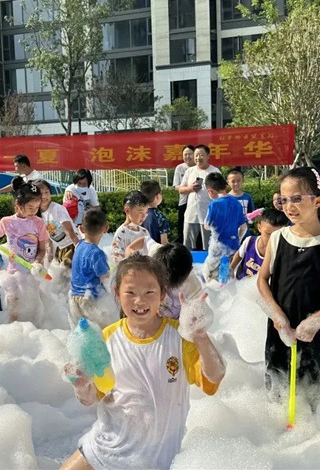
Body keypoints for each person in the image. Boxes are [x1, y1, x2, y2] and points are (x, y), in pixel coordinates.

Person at [61, 254, 225, 470]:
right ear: (118, 295)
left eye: (149, 292)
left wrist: (201, 337)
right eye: (130, 292)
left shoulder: (179, 337)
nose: (140, 301)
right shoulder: (107, 338)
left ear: (162, 295)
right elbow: (93, 397)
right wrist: (80, 385)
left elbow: (215, 377)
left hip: (157, 458)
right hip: (109, 447)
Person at [257, 167, 320, 399]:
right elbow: (262, 280)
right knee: (279, 393)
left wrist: (316, 321)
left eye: (297, 199)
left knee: (318, 398)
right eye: (284, 200)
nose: (289, 206)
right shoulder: (277, 238)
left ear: (318, 200)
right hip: (281, 332)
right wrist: (277, 316)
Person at [0, 177, 49, 323]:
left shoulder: (39, 223)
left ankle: (39, 327)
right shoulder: (7, 222)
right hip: (14, 272)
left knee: (36, 303)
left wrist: (38, 263)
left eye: (37, 208)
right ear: (18, 205)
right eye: (30, 208)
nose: (34, 212)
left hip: (34, 272)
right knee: (13, 300)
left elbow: (43, 249)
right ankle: (14, 327)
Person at [69, 208, 115, 330]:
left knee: (83, 332)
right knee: (104, 330)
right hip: (90, 298)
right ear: (106, 228)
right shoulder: (97, 253)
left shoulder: (79, 246)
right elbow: (105, 277)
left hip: (73, 298)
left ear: (82, 229)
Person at [202, 172, 247, 281]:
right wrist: (238, 239)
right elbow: (244, 227)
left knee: (210, 275)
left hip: (217, 247)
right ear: (225, 186)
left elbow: (207, 226)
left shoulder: (214, 204)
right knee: (230, 274)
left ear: (210, 191)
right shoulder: (236, 202)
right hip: (233, 246)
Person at [180, 145, 221, 251]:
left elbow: (221, 192)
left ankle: (209, 267)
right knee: (187, 246)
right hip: (190, 215)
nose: (198, 158)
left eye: (202, 155)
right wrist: (191, 188)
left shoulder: (214, 171)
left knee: (208, 247)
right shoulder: (190, 171)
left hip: (208, 216)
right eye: (196, 155)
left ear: (208, 156)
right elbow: (181, 189)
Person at [231, 208, 289, 279]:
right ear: (259, 228)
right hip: (242, 283)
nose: (272, 238)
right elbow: (239, 255)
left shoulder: (283, 252)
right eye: (268, 233)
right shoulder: (249, 241)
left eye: (277, 235)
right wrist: (231, 268)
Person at [35, 179, 80, 267]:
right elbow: (47, 238)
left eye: (46, 192)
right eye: (40, 194)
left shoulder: (57, 208)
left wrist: (79, 248)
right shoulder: (39, 214)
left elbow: (69, 230)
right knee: (59, 273)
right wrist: (49, 254)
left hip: (72, 244)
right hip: (61, 247)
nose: (44, 196)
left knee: (67, 272)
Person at [111, 190, 151, 264]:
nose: (144, 216)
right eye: (141, 212)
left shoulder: (145, 232)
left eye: (146, 213)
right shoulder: (121, 233)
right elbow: (116, 257)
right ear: (127, 210)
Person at [173, 145, 195, 243]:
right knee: (182, 228)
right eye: (185, 154)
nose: (187, 156)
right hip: (183, 202)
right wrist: (189, 189)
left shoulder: (199, 168)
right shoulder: (180, 168)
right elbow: (176, 186)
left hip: (196, 203)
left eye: (190, 154)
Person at [227, 167, 255, 239]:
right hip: (230, 231)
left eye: (238, 181)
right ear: (228, 182)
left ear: (243, 180)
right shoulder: (225, 198)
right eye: (233, 181)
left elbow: (251, 212)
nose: (236, 183)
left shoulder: (247, 197)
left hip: (245, 231)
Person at [140, 179, 170, 244]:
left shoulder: (138, 215)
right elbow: (164, 243)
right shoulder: (160, 218)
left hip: (141, 252)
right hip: (156, 252)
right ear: (157, 196)